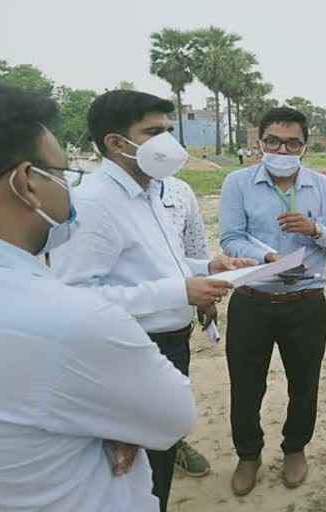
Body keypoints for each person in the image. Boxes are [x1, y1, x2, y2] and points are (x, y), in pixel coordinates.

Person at [0, 82, 197, 511]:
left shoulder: (167, 193)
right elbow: (174, 415)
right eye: (62, 174)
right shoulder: (77, 318)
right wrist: (121, 423)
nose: (69, 190)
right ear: (27, 183)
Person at [50, 90, 254, 512]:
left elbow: (162, 260)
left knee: (156, 454)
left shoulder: (154, 190)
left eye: (169, 130)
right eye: (154, 131)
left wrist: (208, 268)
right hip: (127, 351)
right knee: (135, 472)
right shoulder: (92, 204)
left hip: (168, 343)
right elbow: (74, 297)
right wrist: (180, 291)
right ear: (115, 143)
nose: (167, 141)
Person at [219, 106, 326, 496]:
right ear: (260, 143)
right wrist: (267, 258)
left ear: (304, 147)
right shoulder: (238, 183)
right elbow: (230, 238)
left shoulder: (325, 187)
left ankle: (295, 448)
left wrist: (315, 229)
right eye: (274, 141)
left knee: (304, 384)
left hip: (306, 303)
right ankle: (248, 454)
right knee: (246, 386)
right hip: (252, 300)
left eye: (292, 142)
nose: (283, 148)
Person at [160, 175, 212, 478]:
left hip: (176, 326)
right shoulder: (92, 197)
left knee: (173, 392)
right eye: (153, 133)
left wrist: (205, 294)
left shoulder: (179, 191)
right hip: (125, 327)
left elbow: (194, 249)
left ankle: (173, 444)